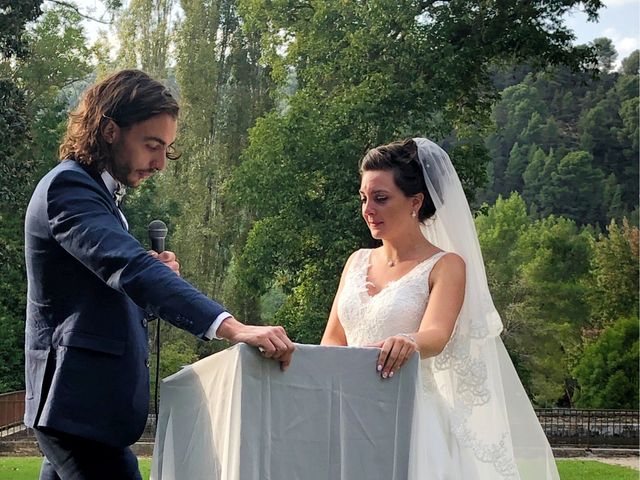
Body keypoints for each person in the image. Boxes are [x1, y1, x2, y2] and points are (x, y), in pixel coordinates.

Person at [24, 69, 295, 480]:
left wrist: (142, 291)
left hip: (78, 408)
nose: (159, 163)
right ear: (110, 129)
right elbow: (129, 267)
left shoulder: (95, 193)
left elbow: (95, 300)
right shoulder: (68, 188)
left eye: (166, 150)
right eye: (152, 145)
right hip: (78, 408)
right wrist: (231, 326)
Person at [321, 138, 559, 479]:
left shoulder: (445, 265)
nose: (368, 209)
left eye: (381, 198)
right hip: (347, 410)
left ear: (415, 201)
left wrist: (409, 341)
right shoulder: (355, 262)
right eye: (363, 198)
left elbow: (436, 333)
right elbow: (333, 338)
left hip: (410, 413)